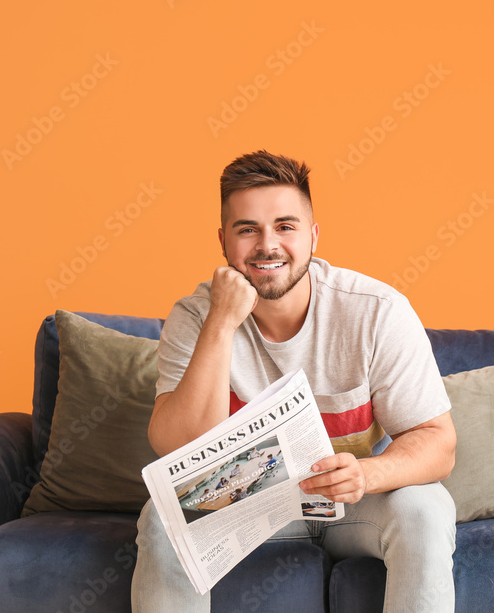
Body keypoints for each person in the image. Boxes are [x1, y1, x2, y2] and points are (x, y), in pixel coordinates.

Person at [132, 150, 457, 612]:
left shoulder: (377, 311)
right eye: (248, 229)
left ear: (313, 236)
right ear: (223, 241)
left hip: (353, 503)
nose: (268, 245)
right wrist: (222, 322)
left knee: (426, 509)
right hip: (248, 499)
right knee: (164, 521)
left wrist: (368, 472)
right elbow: (177, 447)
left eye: (286, 226)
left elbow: (438, 442)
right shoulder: (196, 317)